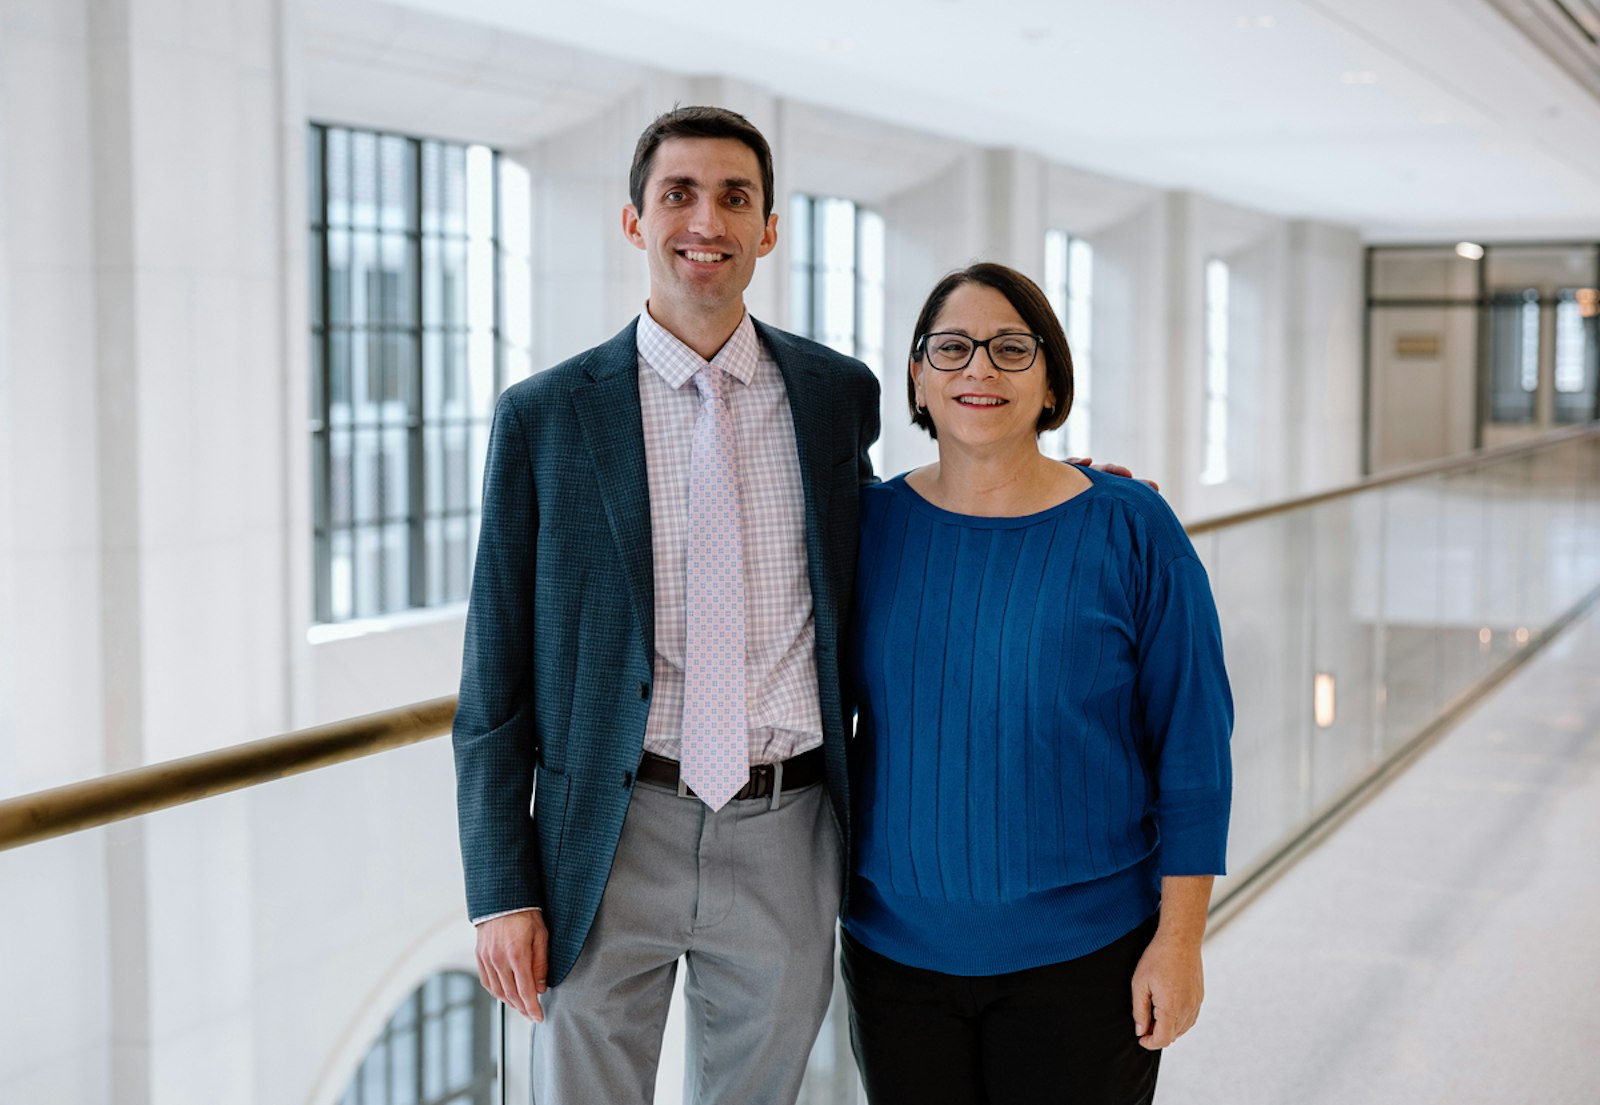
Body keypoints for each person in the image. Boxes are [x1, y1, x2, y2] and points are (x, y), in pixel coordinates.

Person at [451, 105, 879, 1105]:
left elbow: (906, 526)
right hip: (607, 830)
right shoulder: (544, 416)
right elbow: (493, 675)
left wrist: (1061, 486)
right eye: (677, 193)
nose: (707, 220)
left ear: (769, 228)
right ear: (634, 220)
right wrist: (500, 887)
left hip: (789, 825)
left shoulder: (834, 395)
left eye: (735, 197)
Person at [840, 262, 1233, 1104]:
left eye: (1011, 349)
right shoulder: (866, 527)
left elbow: (1193, 745)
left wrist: (1181, 940)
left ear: (1052, 376)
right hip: (894, 959)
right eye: (951, 348)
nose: (979, 369)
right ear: (916, 374)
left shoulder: (1133, 526)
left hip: (1086, 959)